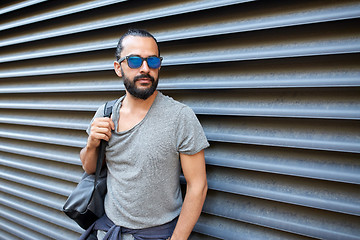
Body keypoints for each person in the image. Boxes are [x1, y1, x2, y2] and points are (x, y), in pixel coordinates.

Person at [79, 29, 209, 240]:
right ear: (118, 68)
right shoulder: (105, 113)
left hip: (156, 234)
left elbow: (198, 186)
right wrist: (92, 143)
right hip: (108, 230)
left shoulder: (180, 116)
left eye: (153, 61)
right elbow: (90, 168)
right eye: (134, 61)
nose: (145, 69)